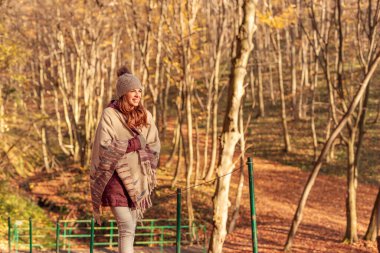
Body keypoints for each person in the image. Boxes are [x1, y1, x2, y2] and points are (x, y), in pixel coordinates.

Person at [89, 66, 160, 253]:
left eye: (139, 91)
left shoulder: (146, 116)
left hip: (137, 179)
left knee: (130, 228)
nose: (137, 95)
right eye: (132, 91)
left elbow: (153, 143)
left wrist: (149, 164)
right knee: (126, 225)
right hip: (113, 178)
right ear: (122, 93)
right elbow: (105, 147)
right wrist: (135, 143)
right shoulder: (110, 115)